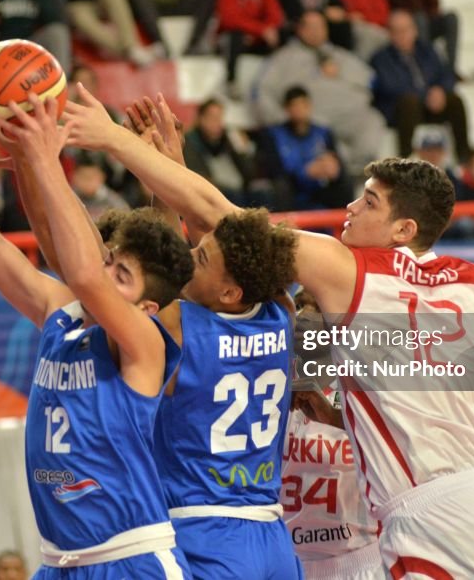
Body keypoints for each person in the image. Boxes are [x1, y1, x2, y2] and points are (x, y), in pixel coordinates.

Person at [63, 105, 474, 576]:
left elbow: (223, 221)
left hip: (431, 516)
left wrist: (118, 142)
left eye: (369, 203)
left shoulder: (347, 271)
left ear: (403, 230)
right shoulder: (473, 280)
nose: (350, 209)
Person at [0, 67, 196, 577]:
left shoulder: (145, 344)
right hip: (57, 564)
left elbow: (83, 270)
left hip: (132, 559)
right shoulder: (62, 315)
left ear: (148, 307)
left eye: (120, 274)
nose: (105, 272)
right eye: (111, 259)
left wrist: (41, 159)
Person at [61, 87, 302, 579]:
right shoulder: (282, 311)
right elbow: (190, 238)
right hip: (274, 537)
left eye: (203, 258)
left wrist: (147, 163)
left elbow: (160, 260)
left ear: (231, 291)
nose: (189, 256)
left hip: (204, 532)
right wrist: (170, 167)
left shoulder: (180, 324)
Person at [282, 293, 382, 580]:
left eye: (317, 307)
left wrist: (338, 420)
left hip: (360, 558)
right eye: (300, 305)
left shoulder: (368, 386)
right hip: (288, 560)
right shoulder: (270, 383)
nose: (304, 316)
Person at [256, 11, 386, 177]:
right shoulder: (283, 59)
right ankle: (339, 172)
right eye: (311, 27)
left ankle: (358, 172)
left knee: (373, 120)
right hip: (312, 121)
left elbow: (372, 82)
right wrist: (283, 120)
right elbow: (262, 93)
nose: (316, 31)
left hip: (349, 118)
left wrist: (341, 73)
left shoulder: (340, 56)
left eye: (320, 26)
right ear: (300, 30)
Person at [370, 9, 470, 160]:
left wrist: (441, 90)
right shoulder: (381, 59)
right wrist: (426, 95)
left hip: (431, 104)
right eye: (397, 31)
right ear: (390, 34)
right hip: (400, 109)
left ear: (414, 30)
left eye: (406, 29)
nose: (403, 35)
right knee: (409, 102)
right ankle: (405, 158)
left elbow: (445, 73)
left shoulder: (427, 50)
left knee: (455, 101)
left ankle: (464, 156)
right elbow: (391, 87)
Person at [258, 86, 354, 210]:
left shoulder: (323, 133)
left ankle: (343, 221)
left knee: (344, 179)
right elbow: (274, 169)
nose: (299, 110)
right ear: (287, 109)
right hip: (292, 188)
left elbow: (335, 160)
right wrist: (305, 172)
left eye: (303, 104)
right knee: (280, 187)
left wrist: (331, 167)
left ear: (309, 106)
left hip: (319, 187)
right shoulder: (274, 134)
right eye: (294, 105)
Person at [216, 0, 284, 89]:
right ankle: (231, 81)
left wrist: (263, 31)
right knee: (235, 37)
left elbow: (276, 15)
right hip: (235, 39)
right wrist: (260, 30)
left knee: (282, 33)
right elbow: (229, 19)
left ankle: (280, 75)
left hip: (257, 39)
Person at [183, 98, 261, 207]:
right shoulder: (191, 141)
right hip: (213, 189)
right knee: (232, 195)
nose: (217, 123)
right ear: (201, 119)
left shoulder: (229, 138)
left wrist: (243, 149)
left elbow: (249, 173)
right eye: (213, 118)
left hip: (239, 187)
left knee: (262, 192)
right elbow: (198, 175)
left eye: (220, 118)